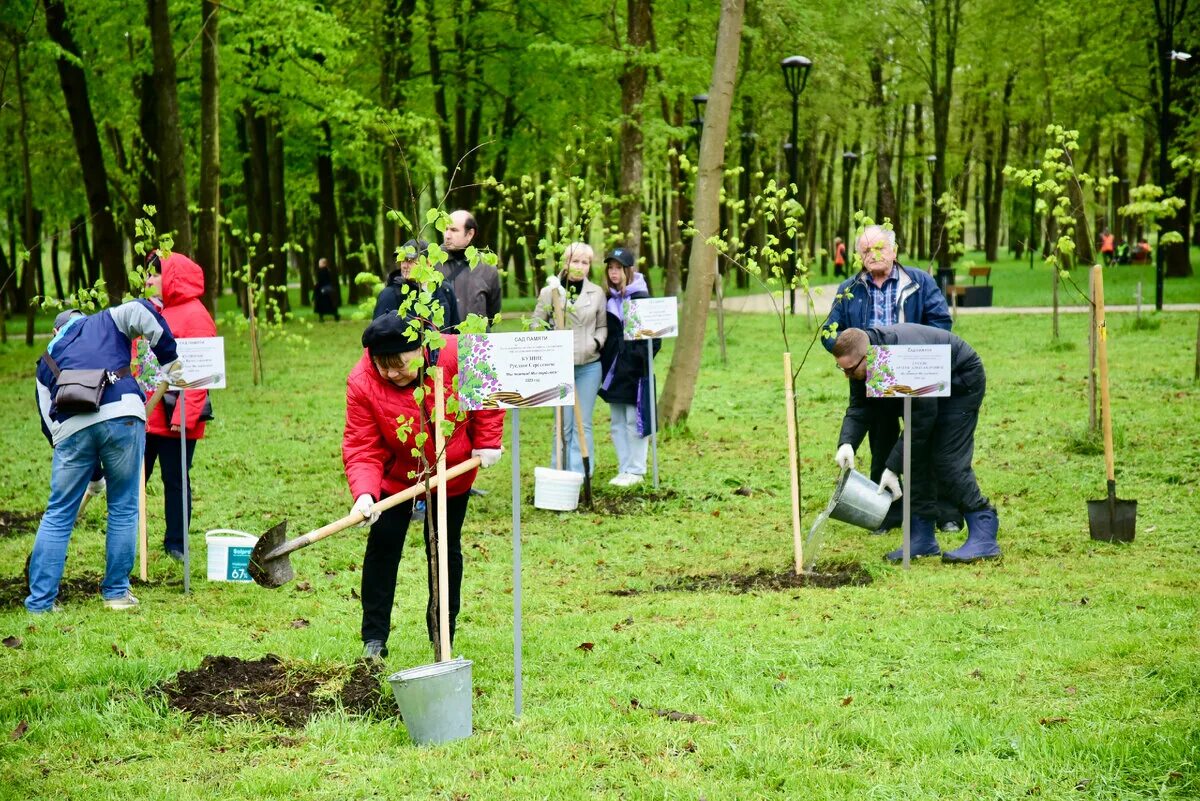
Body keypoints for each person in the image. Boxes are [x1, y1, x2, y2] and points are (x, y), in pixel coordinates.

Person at [343, 312, 505, 660]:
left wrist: (488, 441)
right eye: (382, 366)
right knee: (383, 547)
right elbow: (362, 445)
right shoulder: (362, 382)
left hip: (454, 469)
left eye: (399, 364)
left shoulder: (458, 353)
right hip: (396, 477)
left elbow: (486, 388)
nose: (391, 374)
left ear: (419, 350)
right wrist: (365, 494)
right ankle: (374, 639)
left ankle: (442, 634)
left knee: (445, 550)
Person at [27, 301, 182, 613]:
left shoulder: (45, 360)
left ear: (57, 331)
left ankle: (40, 603)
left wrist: (91, 475)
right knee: (124, 508)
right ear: (80, 319)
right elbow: (142, 310)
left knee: (58, 514)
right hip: (123, 413)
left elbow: (49, 423)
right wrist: (170, 360)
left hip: (71, 429)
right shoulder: (108, 318)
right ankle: (116, 594)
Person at [822, 225, 957, 533]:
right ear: (858, 256)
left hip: (916, 371)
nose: (874, 255)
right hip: (873, 374)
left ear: (894, 251)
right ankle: (889, 513)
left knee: (926, 438)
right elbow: (829, 333)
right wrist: (854, 355)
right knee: (881, 441)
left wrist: (914, 353)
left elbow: (941, 323)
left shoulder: (919, 282)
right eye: (867, 250)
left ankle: (943, 511)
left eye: (880, 248)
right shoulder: (849, 288)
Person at [832, 325, 1000, 564]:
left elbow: (921, 420)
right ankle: (921, 535)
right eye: (841, 368)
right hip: (927, 389)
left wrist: (892, 466)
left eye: (849, 369)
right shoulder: (864, 362)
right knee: (917, 458)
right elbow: (860, 407)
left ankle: (984, 530)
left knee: (946, 458)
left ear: (867, 355)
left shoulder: (900, 358)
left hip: (960, 380)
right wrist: (847, 443)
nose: (846, 375)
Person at [143, 252, 217, 561]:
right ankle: (127, 538)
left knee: (175, 479)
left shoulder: (195, 315)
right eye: (147, 274)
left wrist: (183, 415)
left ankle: (176, 542)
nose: (148, 280)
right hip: (147, 414)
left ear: (171, 278)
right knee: (135, 476)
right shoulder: (152, 310)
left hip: (175, 418)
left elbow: (200, 370)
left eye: (155, 275)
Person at [531, 242, 608, 476]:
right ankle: (560, 472)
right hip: (560, 368)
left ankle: (581, 475)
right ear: (566, 262)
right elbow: (537, 324)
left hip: (589, 367)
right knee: (563, 425)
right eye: (575, 261)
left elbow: (603, 326)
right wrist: (549, 343)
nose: (580, 266)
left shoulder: (596, 293)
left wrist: (595, 343)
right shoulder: (550, 291)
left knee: (582, 423)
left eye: (585, 262)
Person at [598, 247, 659, 487]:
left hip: (635, 370)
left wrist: (637, 359)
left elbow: (655, 339)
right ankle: (624, 467)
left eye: (618, 268)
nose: (614, 273)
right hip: (613, 372)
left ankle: (636, 470)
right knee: (617, 422)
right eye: (610, 268)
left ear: (628, 270)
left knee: (635, 421)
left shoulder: (640, 298)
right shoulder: (609, 298)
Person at [373, 239, 461, 331]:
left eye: (410, 260)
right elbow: (376, 336)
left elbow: (456, 333)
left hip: (444, 344)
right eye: (402, 260)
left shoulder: (445, 290)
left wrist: (475, 344)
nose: (404, 265)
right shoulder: (390, 294)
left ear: (428, 262)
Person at [438, 210, 501, 328]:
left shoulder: (487, 268)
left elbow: (493, 312)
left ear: (470, 234)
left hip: (476, 342)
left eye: (454, 230)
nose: (447, 235)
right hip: (441, 342)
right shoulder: (430, 264)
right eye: (445, 229)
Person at [314, 258, 340, 322]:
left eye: (320, 263)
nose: (319, 264)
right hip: (329, 289)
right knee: (331, 303)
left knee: (321, 304)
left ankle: (321, 317)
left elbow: (320, 281)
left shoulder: (321, 271)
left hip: (322, 290)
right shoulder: (328, 270)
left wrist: (317, 287)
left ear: (323, 264)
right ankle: (335, 315)